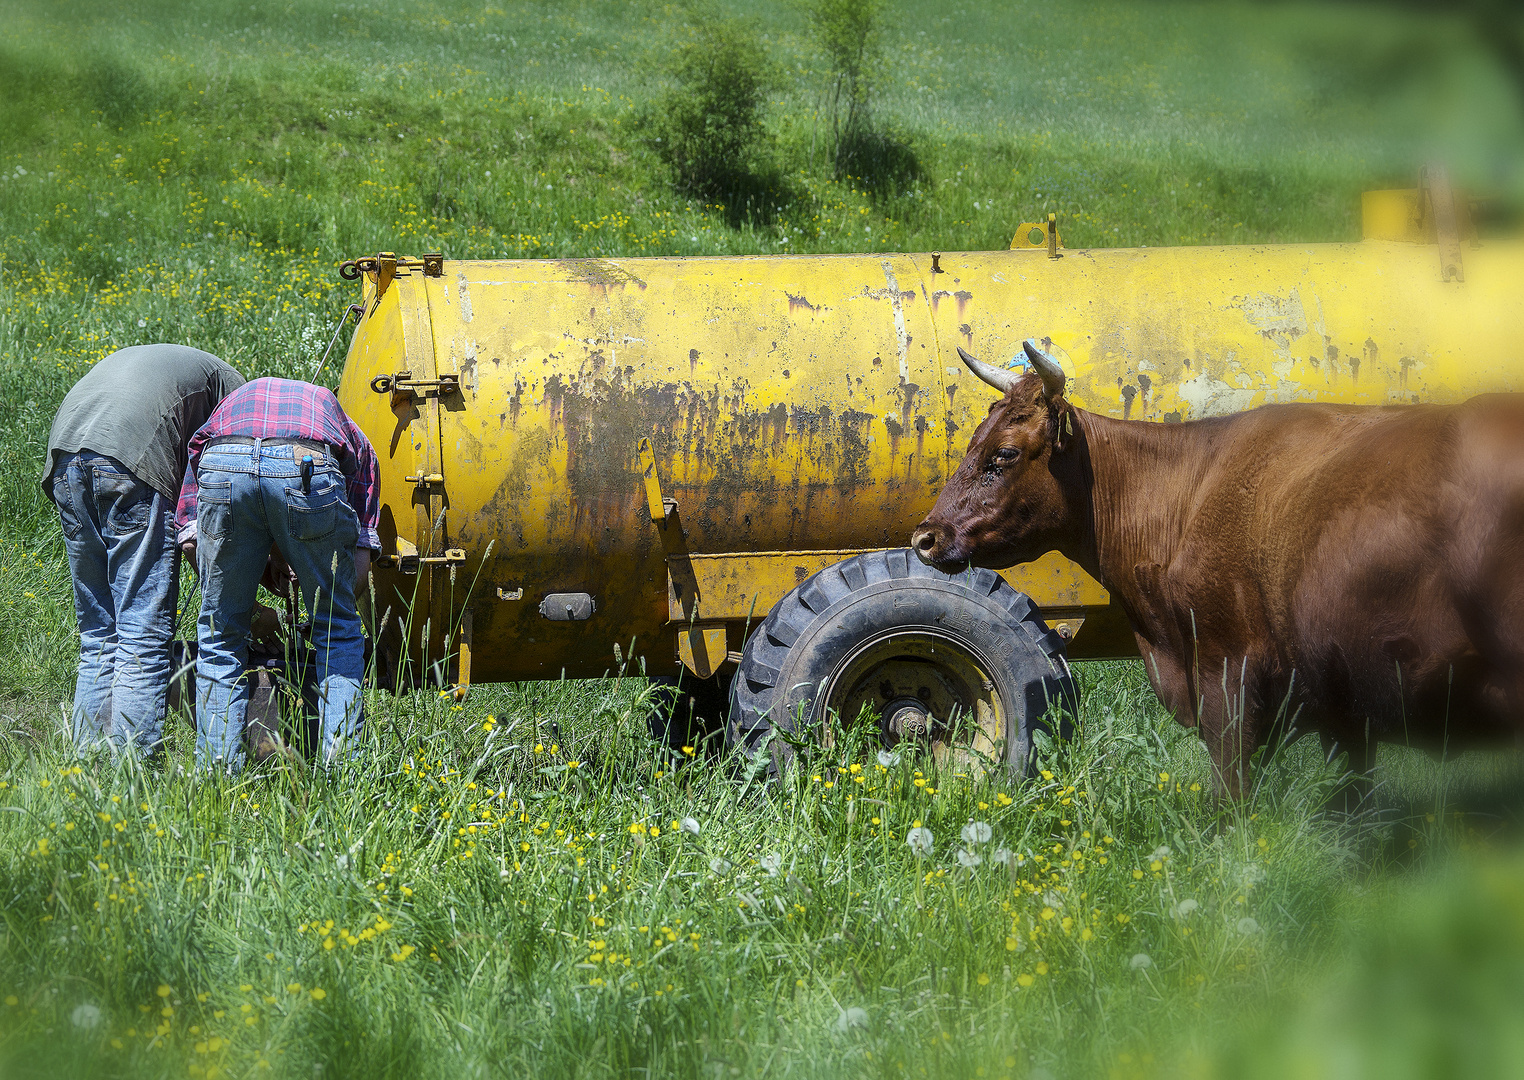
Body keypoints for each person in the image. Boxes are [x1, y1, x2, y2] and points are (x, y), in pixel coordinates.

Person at [43, 344, 246, 757]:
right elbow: (225, 490)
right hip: (130, 460)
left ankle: (86, 765)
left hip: (65, 460)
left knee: (100, 631)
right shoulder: (239, 395)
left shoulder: (188, 368)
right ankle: (132, 768)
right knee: (142, 630)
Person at [175, 377, 380, 772]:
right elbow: (359, 558)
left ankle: (216, 776)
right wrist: (320, 588)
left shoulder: (231, 406)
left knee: (219, 637)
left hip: (223, 464)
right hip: (306, 463)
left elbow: (190, 541)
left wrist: (245, 606)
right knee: (338, 633)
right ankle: (342, 774)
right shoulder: (346, 431)